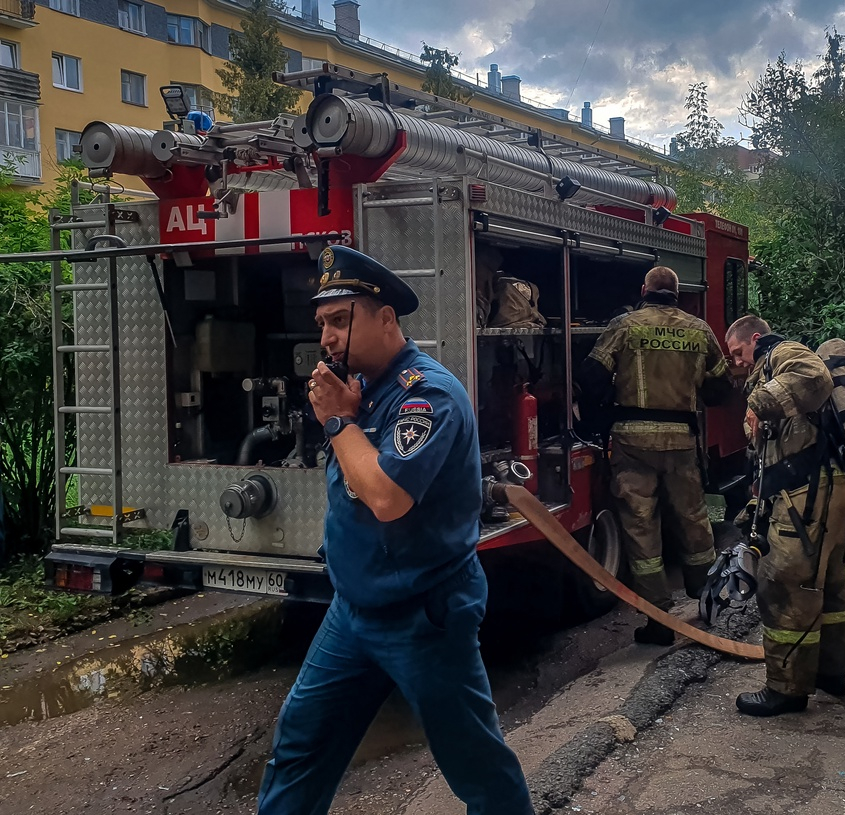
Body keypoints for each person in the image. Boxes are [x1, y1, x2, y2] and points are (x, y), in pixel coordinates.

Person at [257, 245, 534, 814]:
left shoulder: (426, 395)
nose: (327, 338)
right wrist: (347, 417)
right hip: (354, 612)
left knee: (475, 764)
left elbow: (386, 497)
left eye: (340, 320)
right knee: (300, 746)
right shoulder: (363, 392)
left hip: (423, 615)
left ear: (386, 319)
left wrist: (337, 421)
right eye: (322, 324)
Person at [577, 266, 734, 646]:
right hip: (681, 440)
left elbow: (591, 375)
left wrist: (601, 411)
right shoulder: (700, 330)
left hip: (632, 442)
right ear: (677, 293)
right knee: (693, 516)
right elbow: (719, 391)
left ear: (644, 289)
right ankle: (704, 590)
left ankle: (659, 621)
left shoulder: (625, 326)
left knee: (640, 527)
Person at [723, 315, 845, 717]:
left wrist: (758, 404)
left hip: (807, 493)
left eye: (739, 352)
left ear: (756, 339)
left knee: (783, 584)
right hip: (820, 488)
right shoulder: (768, 367)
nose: (739, 362)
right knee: (826, 586)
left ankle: (786, 690)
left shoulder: (785, 352)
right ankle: (830, 673)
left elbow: (815, 376)